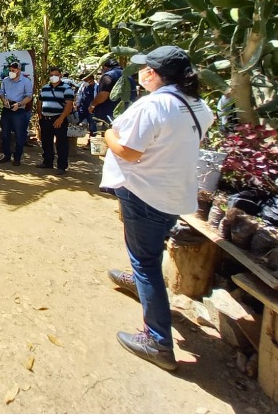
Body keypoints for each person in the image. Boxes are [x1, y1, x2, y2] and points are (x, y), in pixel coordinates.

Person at [100, 46, 215, 371]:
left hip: (145, 193)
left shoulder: (155, 105)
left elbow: (128, 151)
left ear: (156, 74)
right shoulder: (198, 106)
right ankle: (139, 283)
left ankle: (158, 342)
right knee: (149, 251)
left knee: (146, 260)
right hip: (173, 195)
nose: (141, 73)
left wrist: (108, 134)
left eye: (146, 68)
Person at [37, 66, 75, 174]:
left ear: (60, 76)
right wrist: (40, 115)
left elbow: (69, 105)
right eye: (51, 75)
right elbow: (40, 102)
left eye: (56, 75)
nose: (53, 77)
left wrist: (61, 118)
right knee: (46, 141)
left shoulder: (66, 89)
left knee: (61, 143)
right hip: (45, 119)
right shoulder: (45, 88)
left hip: (59, 119)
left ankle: (61, 166)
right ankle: (47, 162)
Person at [0, 61, 33, 166]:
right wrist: (4, 100)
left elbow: (29, 96)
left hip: (19, 110)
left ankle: (17, 157)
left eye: (13, 70)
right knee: (5, 134)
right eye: (10, 70)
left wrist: (19, 104)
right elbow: (1, 92)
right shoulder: (6, 80)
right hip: (7, 109)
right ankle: (6, 155)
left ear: (19, 70)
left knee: (19, 135)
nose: (11, 71)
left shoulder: (26, 82)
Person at [89, 57, 137, 126]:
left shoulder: (108, 76)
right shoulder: (128, 76)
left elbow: (103, 95)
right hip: (128, 111)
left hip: (112, 113)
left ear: (105, 67)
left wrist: (92, 105)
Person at [76, 72, 97, 136]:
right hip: (82, 108)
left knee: (92, 126)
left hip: (92, 110)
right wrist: (77, 104)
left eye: (85, 80)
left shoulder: (97, 87)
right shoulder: (83, 86)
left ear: (91, 79)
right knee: (76, 122)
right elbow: (79, 95)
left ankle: (91, 140)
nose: (84, 82)